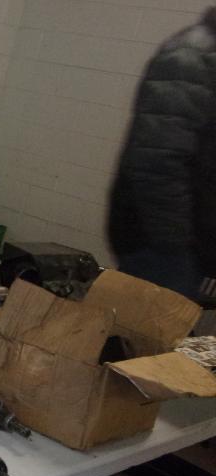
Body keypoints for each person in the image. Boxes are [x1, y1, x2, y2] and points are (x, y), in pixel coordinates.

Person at [108, 7, 215, 300]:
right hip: (163, 247)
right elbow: (157, 161)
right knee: (139, 327)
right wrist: (176, 248)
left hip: (188, 245)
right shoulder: (191, 57)